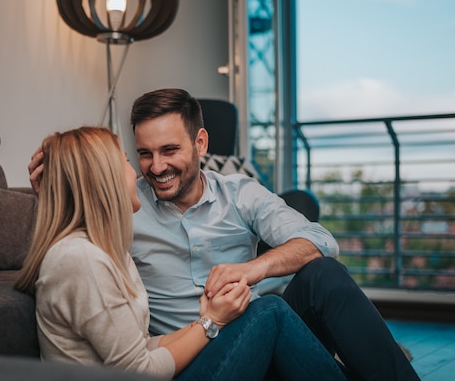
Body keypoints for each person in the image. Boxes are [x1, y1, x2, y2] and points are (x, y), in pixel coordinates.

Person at [28, 90, 420, 381]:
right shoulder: (123, 207)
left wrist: (252, 270)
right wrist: (55, 192)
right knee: (268, 312)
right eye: (143, 154)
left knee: (324, 274)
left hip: (259, 333)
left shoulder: (239, 192)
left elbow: (320, 240)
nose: (155, 166)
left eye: (169, 150)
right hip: (189, 352)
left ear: (200, 143)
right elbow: (74, 238)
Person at [17, 126, 348, 380]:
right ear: (102, 180)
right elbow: (139, 371)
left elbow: (140, 348)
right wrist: (209, 321)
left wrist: (211, 321)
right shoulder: (81, 260)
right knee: (270, 311)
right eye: (128, 161)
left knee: (274, 306)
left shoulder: (102, 253)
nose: (136, 174)